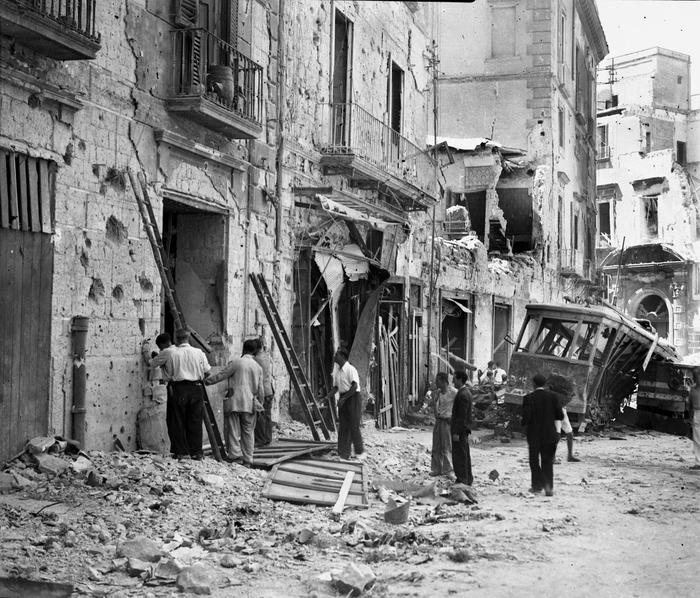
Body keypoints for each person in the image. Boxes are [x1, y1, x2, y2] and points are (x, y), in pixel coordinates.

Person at [205, 339, 264, 466]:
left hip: (234, 401)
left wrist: (207, 381)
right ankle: (248, 459)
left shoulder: (236, 362)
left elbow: (222, 375)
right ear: (254, 351)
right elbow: (261, 390)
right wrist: (260, 404)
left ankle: (235, 456)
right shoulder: (257, 367)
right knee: (248, 432)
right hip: (250, 403)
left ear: (244, 349)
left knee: (232, 429)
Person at [165, 328, 211, 460]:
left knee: (177, 420)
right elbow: (208, 372)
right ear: (188, 337)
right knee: (195, 420)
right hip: (196, 387)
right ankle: (196, 452)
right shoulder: (199, 353)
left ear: (176, 338)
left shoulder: (172, 354)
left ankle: (181, 452)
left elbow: (168, 375)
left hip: (178, 388)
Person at [522, 372, 563, 496]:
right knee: (547, 462)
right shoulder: (553, 397)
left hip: (534, 435)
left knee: (534, 461)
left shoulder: (528, 398)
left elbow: (526, 418)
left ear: (534, 384)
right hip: (550, 435)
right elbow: (559, 416)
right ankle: (548, 487)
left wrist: (523, 423)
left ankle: (537, 486)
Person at [327, 349, 365, 460]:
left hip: (353, 398)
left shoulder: (350, 369)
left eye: (336, 355)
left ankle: (360, 453)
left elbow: (354, 386)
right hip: (344, 398)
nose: (334, 357)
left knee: (353, 426)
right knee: (343, 426)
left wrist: (344, 399)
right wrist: (327, 397)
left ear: (342, 357)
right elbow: (336, 388)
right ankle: (343, 453)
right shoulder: (337, 372)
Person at [546, 375, 580, 463]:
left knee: (569, 433)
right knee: (557, 435)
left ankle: (570, 456)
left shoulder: (559, 394)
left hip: (562, 410)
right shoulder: (563, 395)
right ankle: (552, 458)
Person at [430, 372, 456, 477]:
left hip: (447, 422)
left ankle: (448, 470)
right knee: (436, 446)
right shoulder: (438, 393)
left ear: (444, 381)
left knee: (447, 447)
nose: (436, 383)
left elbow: (460, 405)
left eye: (438, 380)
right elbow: (436, 411)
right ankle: (436, 469)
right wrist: (434, 400)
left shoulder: (454, 392)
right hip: (439, 421)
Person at [451, 370, 473, 485]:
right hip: (463, 430)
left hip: (460, 431)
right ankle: (467, 479)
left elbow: (461, 416)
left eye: (454, 378)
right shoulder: (466, 392)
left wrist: (456, 432)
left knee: (459, 455)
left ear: (460, 379)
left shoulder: (463, 394)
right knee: (464, 454)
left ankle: (462, 479)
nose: (453, 380)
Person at [253, 338, 274, 447]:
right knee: (267, 416)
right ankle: (267, 439)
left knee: (260, 416)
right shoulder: (266, 356)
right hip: (269, 389)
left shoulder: (256, 359)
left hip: (263, 391)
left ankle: (260, 440)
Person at [689, 368, 700, 469]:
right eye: (696, 377)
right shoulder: (692, 389)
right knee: (697, 439)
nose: (697, 379)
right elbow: (690, 405)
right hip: (696, 413)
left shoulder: (693, 389)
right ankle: (698, 462)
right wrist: (689, 417)